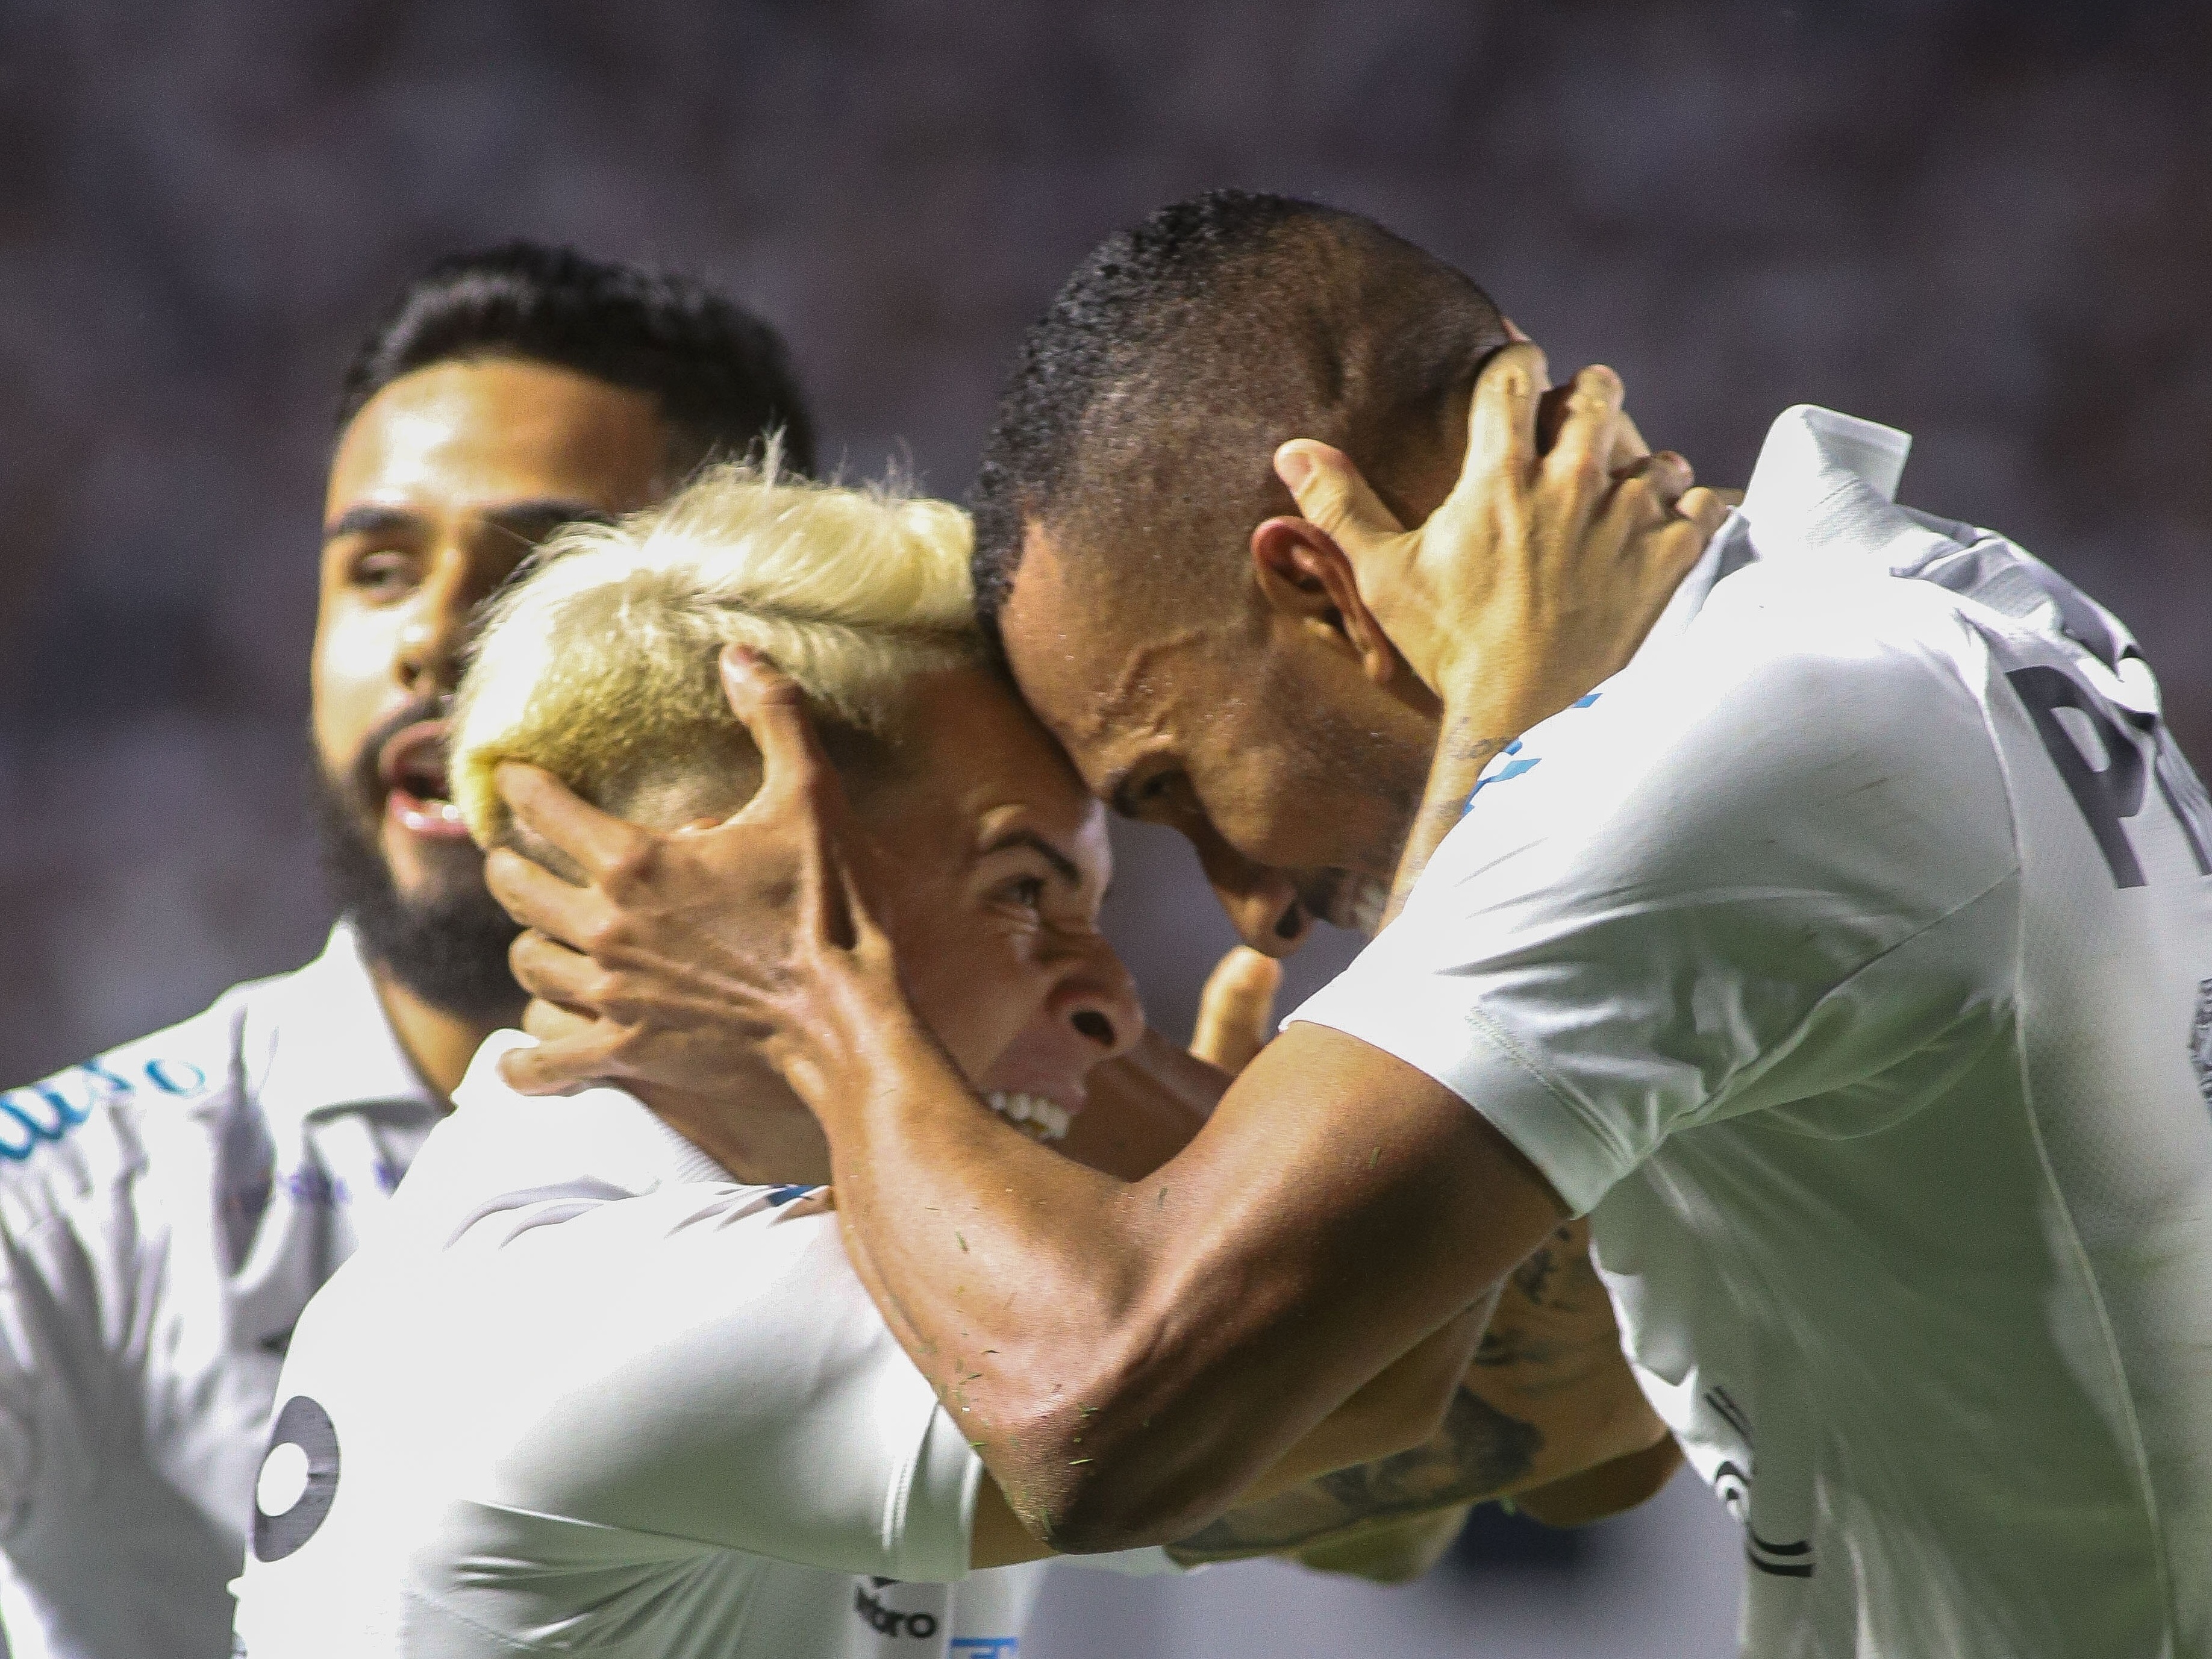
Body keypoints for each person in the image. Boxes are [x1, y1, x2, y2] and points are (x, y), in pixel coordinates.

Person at [489, 190, 2212, 1657]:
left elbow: (1092, 1406)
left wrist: (812, 980)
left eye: (1167, 789)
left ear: (1316, 584)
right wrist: (1486, 764)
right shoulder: (1903, 611)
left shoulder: (1716, 764)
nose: (1241, 901)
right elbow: (1590, 1441)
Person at [231, 463, 1626, 1657]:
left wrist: (1195, 1134)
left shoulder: (752, 1237)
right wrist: (1508, 717)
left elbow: (1511, 1430)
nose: (1105, 997)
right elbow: (1334, 1388)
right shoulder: (564, 1312)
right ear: (746, 878)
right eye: (1026, 892)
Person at [0, 242, 813, 1659]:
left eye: (541, 574)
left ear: (765, 662)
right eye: (378, 569)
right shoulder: (72, 1214)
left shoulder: (943, 1178)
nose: (432, 635)